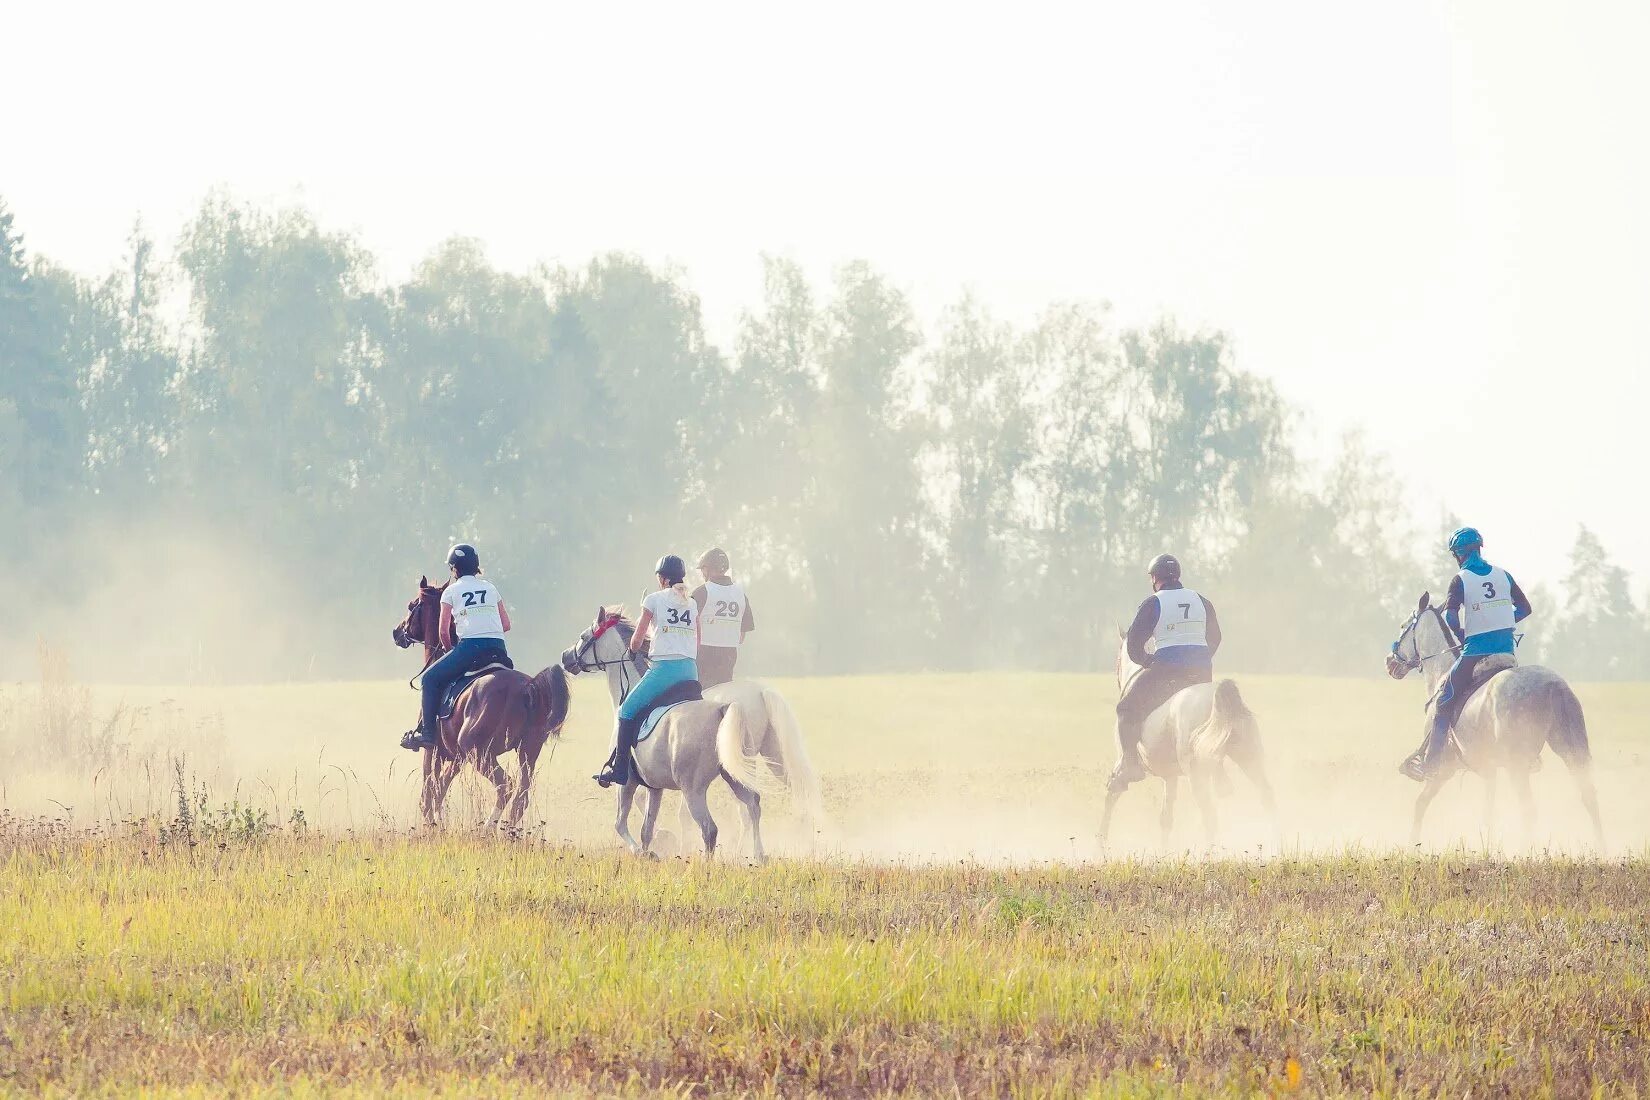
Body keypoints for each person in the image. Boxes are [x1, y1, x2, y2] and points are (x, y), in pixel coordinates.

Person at [1403, 526, 1532, 781]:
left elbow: (1450, 618)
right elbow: (1525, 608)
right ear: (1479, 548)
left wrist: (1465, 634)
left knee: (1443, 702)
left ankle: (1431, 766)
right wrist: (1504, 621)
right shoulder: (1503, 575)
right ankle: (1532, 755)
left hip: (1475, 652)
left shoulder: (1460, 579)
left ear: (1459, 554)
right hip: (1507, 653)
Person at [1111, 553, 1223, 787]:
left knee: (1126, 709)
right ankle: (1220, 769)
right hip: (1200, 674)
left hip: (1166, 673)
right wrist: (1200, 658)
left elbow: (1132, 645)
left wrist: (1148, 661)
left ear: (1154, 578)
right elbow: (1215, 637)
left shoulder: (1154, 603)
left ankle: (1130, 764)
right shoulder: (1201, 600)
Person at [593, 554, 701, 788]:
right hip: (691, 672)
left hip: (664, 671)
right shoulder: (691, 603)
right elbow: (697, 641)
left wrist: (634, 650)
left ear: (662, 579)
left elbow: (636, 640)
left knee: (626, 710)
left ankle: (620, 770)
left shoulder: (653, 600)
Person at [401, 544, 512, 751]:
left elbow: (443, 632)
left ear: (454, 569)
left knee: (429, 679)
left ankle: (427, 734)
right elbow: (506, 625)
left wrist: (451, 650)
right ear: (475, 567)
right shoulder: (490, 587)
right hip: (498, 648)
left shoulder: (451, 591)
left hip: (470, 648)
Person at [691, 547, 755, 688]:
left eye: (703, 569)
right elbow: (741, 636)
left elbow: (687, 626)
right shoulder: (741, 595)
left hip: (704, 655)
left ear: (707, 569)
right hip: (730, 654)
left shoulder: (701, 592)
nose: (702, 573)